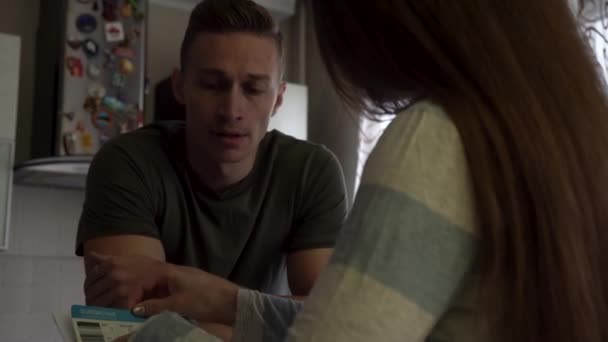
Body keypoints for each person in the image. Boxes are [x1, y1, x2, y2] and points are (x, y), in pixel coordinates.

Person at [109, 0, 608, 341]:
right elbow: (359, 315)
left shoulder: (436, 138)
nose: (232, 109)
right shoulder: (569, 132)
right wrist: (235, 304)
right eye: (213, 84)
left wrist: (162, 335)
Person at [77, 0, 348, 319]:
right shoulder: (128, 162)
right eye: (212, 85)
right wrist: (260, 318)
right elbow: (142, 324)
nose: (232, 110)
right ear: (180, 86)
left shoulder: (312, 172)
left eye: (254, 89)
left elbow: (328, 320)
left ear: (278, 98)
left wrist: (214, 298)